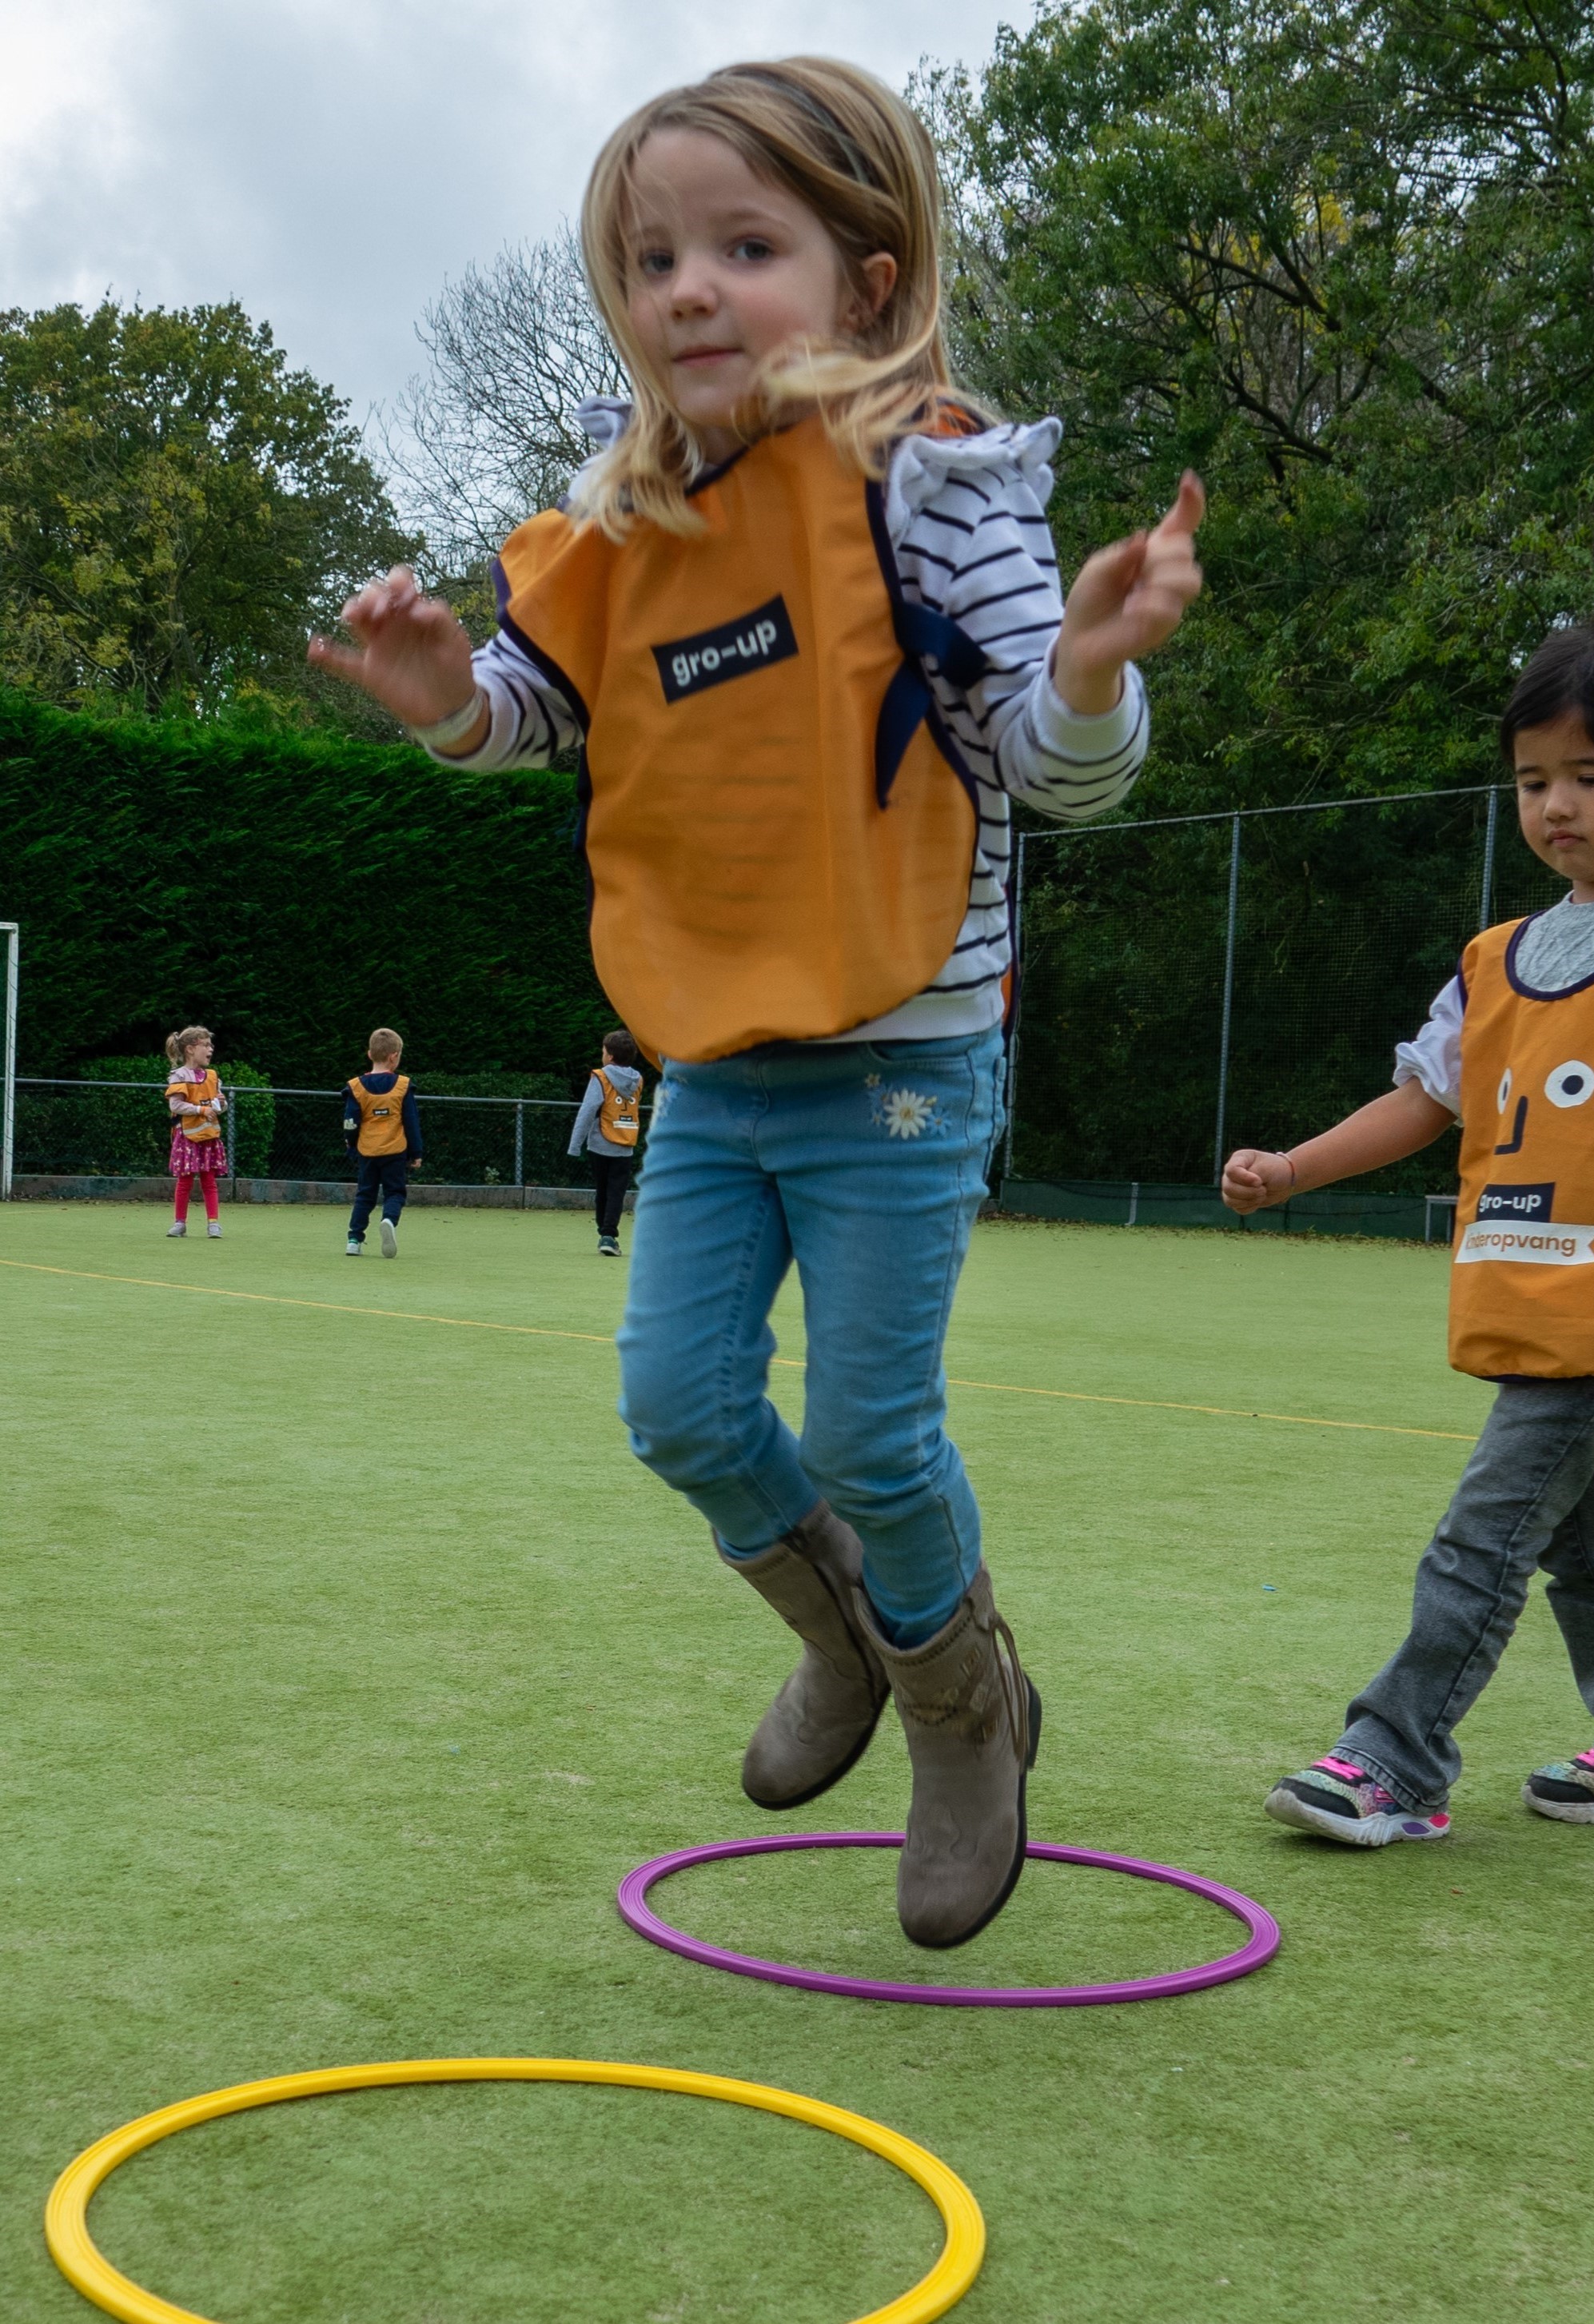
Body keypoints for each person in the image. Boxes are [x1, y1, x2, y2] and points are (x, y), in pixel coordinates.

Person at [309, 59, 1199, 1947]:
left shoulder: (932, 485)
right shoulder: (621, 510)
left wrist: (1095, 669)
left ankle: (965, 1710)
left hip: (903, 1059)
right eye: (651, 260)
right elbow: (538, 712)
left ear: (866, 283)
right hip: (710, 1054)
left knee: (872, 1433)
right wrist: (445, 697)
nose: (689, 290)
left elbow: (1052, 766)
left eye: (743, 247)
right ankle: (857, 1636)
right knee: (681, 1408)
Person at [1223, 617, 1594, 1846]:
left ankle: (1392, 1756)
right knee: (1573, 1528)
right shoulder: (1497, 956)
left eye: (1590, 775)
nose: (1555, 805)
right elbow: (1425, 1097)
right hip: (1527, 1281)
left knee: (1487, 1526)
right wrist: (1292, 1167)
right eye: (1530, 780)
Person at [343, 1029, 422, 1258]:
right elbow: (411, 1121)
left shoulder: (356, 1087)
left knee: (364, 1195)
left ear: (370, 1054)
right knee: (395, 1192)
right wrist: (416, 1152)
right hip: (395, 1151)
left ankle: (354, 1240)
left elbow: (350, 1122)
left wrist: (351, 1144)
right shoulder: (403, 1086)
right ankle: (388, 1220)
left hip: (367, 1150)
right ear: (394, 1056)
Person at [569, 1029, 645, 1256]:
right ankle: (609, 1235)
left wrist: (575, 1144)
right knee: (616, 1192)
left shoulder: (600, 1077)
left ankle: (605, 1233)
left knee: (602, 1190)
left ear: (610, 1056)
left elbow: (588, 1110)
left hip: (600, 1143)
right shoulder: (638, 1079)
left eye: (603, 1051)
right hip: (626, 1144)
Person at [163, 1026, 225, 1238]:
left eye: (211, 1045)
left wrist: (221, 1104)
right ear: (190, 1049)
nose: (211, 1049)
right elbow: (176, 1105)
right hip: (187, 1137)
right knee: (185, 1181)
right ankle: (180, 1223)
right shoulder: (179, 1076)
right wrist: (201, 1110)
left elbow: (218, 1107)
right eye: (205, 1045)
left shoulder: (213, 1076)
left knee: (209, 1181)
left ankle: (213, 1224)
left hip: (208, 1136)